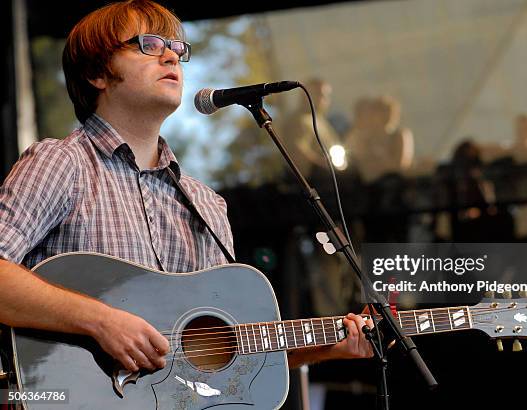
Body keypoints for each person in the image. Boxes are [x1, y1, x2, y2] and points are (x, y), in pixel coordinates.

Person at [0, 0, 372, 380]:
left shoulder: (206, 205)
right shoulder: (62, 163)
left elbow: (220, 356)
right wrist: (100, 321)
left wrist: (324, 346)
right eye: (149, 44)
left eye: (176, 49)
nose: (171, 57)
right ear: (98, 73)